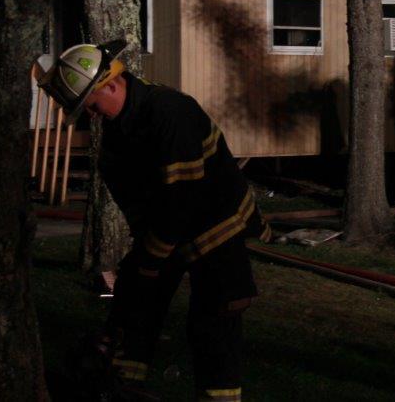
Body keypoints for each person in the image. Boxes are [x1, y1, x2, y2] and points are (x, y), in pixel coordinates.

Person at [38, 40, 271, 401]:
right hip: (170, 229)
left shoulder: (171, 112)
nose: (92, 115)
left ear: (112, 85)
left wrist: (151, 259)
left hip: (220, 228)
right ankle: (120, 387)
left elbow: (183, 199)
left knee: (214, 327)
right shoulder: (114, 146)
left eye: (92, 105)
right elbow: (142, 212)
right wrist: (143, 265)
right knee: (134, 304)